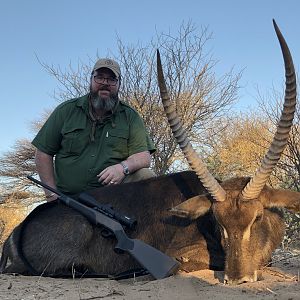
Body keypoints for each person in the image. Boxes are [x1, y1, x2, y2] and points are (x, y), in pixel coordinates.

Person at [32, 58, 156, 201]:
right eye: (100, 77)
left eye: (111, 79)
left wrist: (122, 168)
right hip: (69, 198)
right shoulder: (66, 110)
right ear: (91, 79)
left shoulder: (130, 116)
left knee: (146, 176)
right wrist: (51, 195)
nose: (105, 83)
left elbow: (144, 157)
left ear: (119, 84)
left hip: (114, 195)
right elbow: (43, 152)